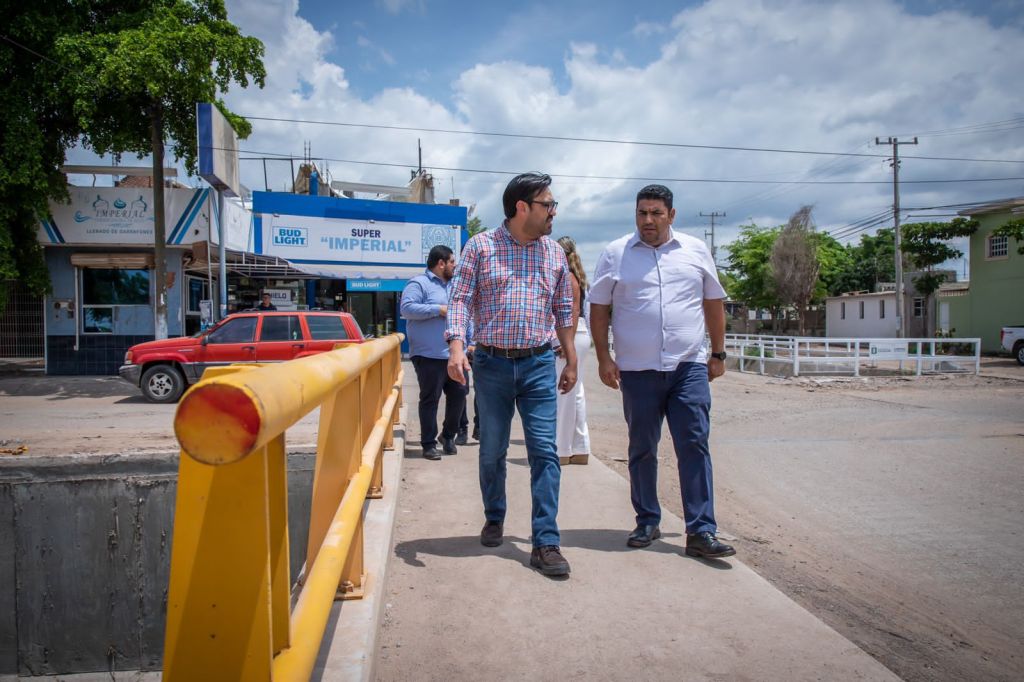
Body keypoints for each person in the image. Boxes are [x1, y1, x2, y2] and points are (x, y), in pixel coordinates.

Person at [590, 184, 736, 559]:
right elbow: (599, 308)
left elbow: (713, 302)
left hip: (688, 366)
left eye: (656, 213)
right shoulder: (616, 253)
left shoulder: (695, 251)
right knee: (642, 448)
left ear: (671, 215)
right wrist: (604, 357)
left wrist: (718, 353)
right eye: (642, 213)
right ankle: (647, 520)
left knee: (694, 444)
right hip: (637, 371)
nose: (648, 220)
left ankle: (701, 530)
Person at [447, 172, 577, 577]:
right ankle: (494, 515)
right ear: (522, 207)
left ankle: (546, 541)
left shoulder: (554, 253)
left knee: (545, 452)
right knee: (492, 450)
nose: (553, 212)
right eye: (548, 204)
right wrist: (456, 348)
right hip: (492, 365)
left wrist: (571, 359)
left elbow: (564, 310)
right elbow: (460, 299)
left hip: (539, 364)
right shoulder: (480, 246)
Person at [401, 245, 466, 461]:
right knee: (430, 399)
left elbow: (464, 315)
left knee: (459, 395)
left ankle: (447, 436)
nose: (454, 266)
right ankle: (428, 444)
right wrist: (437, 309)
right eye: (452, 262)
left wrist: (469, 343)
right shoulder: (418, 283)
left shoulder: (455, 286)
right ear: (441, 263)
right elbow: (406, 309)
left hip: (454, 354)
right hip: (428, 355)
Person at [555, 236, 591, 466]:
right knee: (576, 392)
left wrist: (566, 341)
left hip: (571, 334)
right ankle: (580, 447)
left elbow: (573, 310)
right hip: (579, 334)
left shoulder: (567, 277)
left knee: (563, 392)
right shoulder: (576, 276)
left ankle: (561, 449)